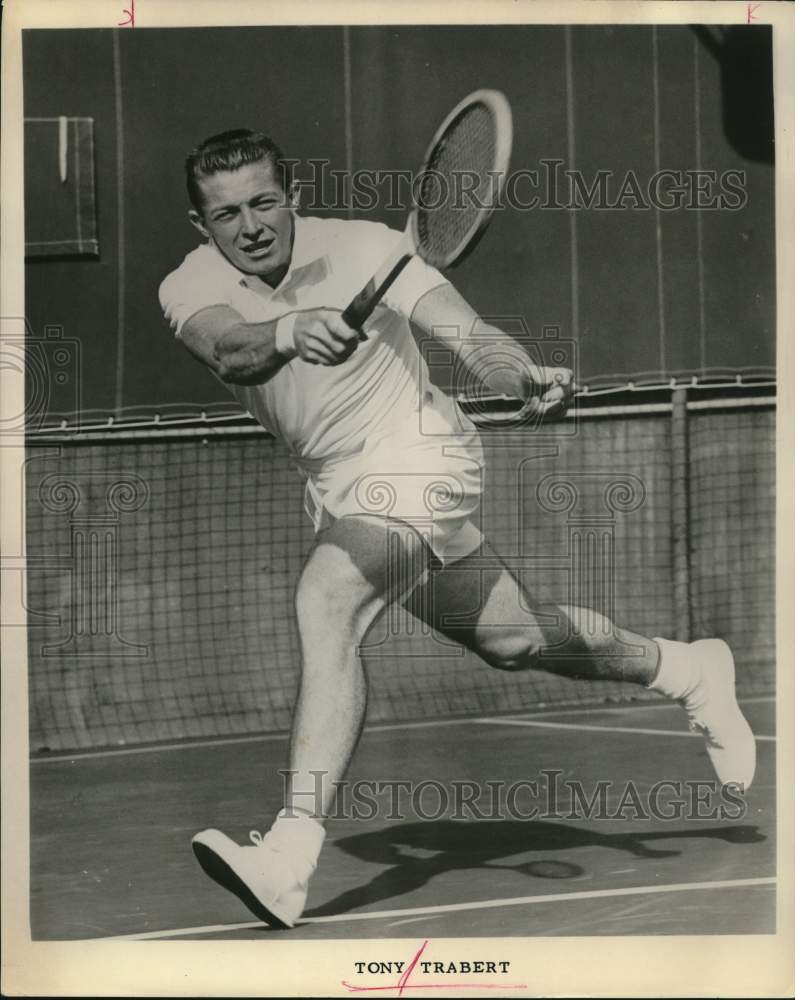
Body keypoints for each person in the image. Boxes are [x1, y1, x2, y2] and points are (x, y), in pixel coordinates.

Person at [159, 129, 756, 930]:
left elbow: (471, 337)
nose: (252, 226)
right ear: (203, 228)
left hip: (421, 456)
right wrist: (286, 332)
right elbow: (227, 350)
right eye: (227, 214)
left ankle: (289, 856)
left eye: (265, 202)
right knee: (513, 639)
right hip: (339, 488)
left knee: (327, 598)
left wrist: (523, 376)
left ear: (293, 197)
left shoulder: (370, 248)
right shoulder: (189, 282)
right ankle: (685, 668)